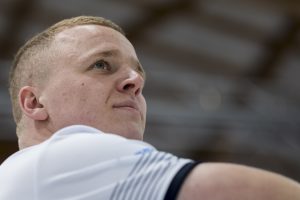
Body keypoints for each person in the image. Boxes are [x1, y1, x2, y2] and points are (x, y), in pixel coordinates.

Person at [0, 16, 299, 200]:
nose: (135, 82)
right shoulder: (60, 159)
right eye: (101, 65)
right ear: (34, 103)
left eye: (139, 74)